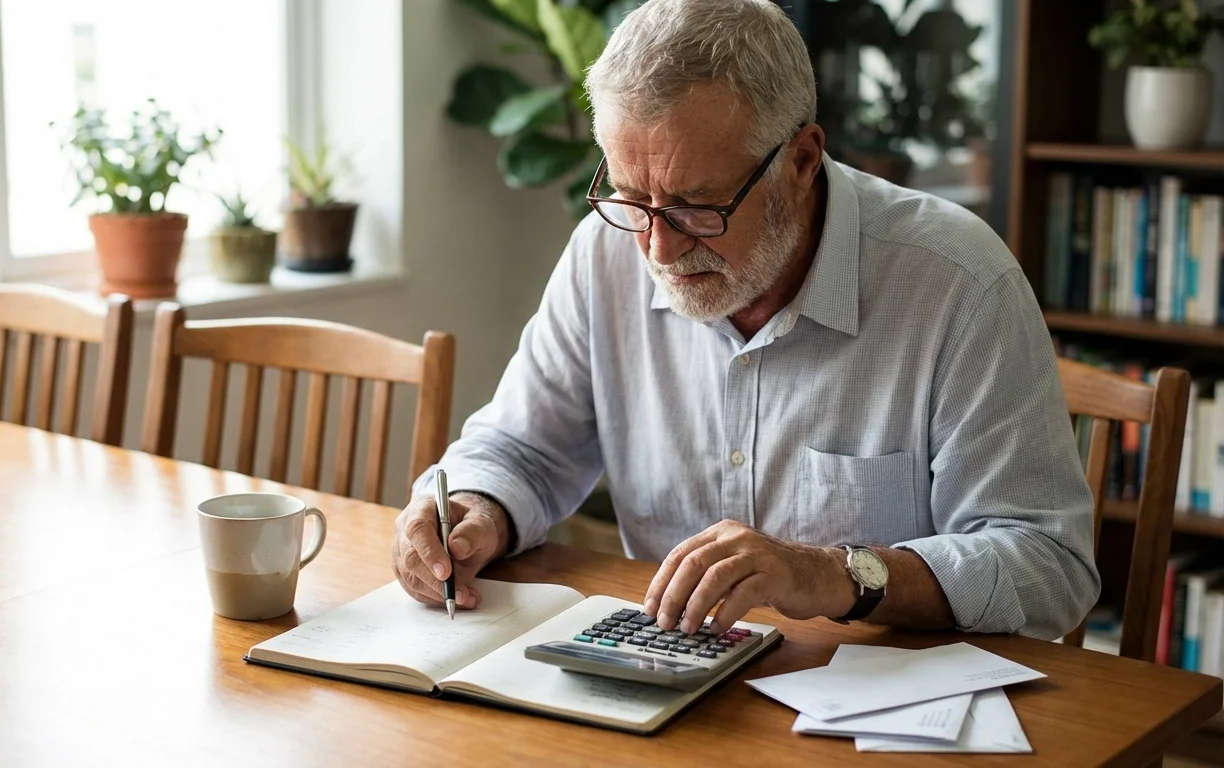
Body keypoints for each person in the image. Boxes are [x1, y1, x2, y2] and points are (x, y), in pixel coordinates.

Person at [392, 0, 1099, 640]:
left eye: (699, 205)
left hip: (880, 711)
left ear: (801, 160)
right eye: (633, 198)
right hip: (666, 684)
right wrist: (474, 509)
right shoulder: (605, 255)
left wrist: (829, 574)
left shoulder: (956, 283)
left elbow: (1048, 565)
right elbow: (522, 449)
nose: (659, 248)